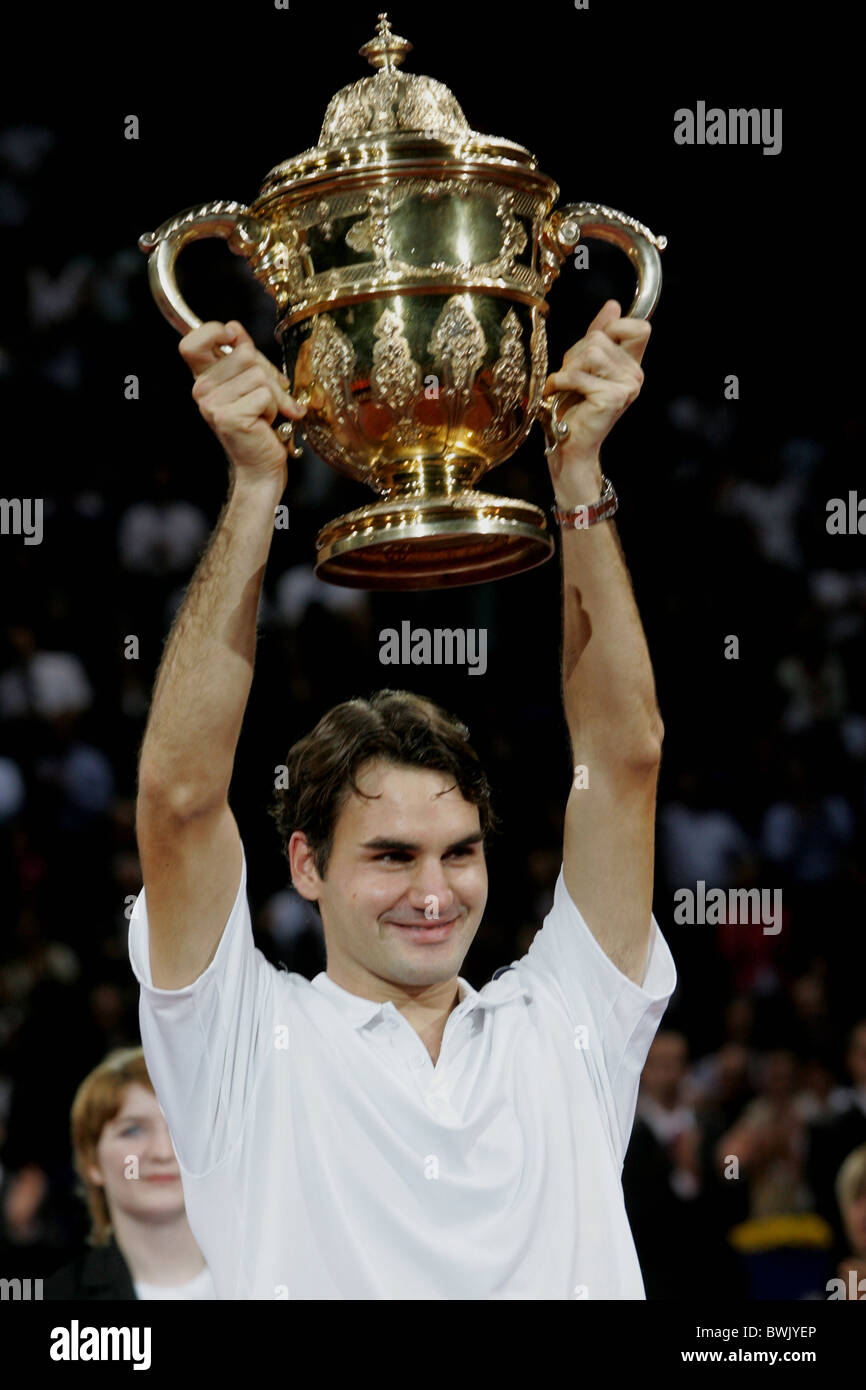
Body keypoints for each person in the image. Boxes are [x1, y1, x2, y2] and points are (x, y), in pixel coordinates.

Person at [129, 301, 675, 1299]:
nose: (434, 891)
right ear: (304, 865)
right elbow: (177, 797)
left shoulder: (563, 1023)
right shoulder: (242, 1045)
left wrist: (577, 477)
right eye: (389, 854)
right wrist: (257, 487)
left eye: (457, 851)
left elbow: (623, 752)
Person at [44, 1047, 215, 1299]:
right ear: (92, 1162)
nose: (162, 1152)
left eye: (180, 1127)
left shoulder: (277, 1274)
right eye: (133, 1131)